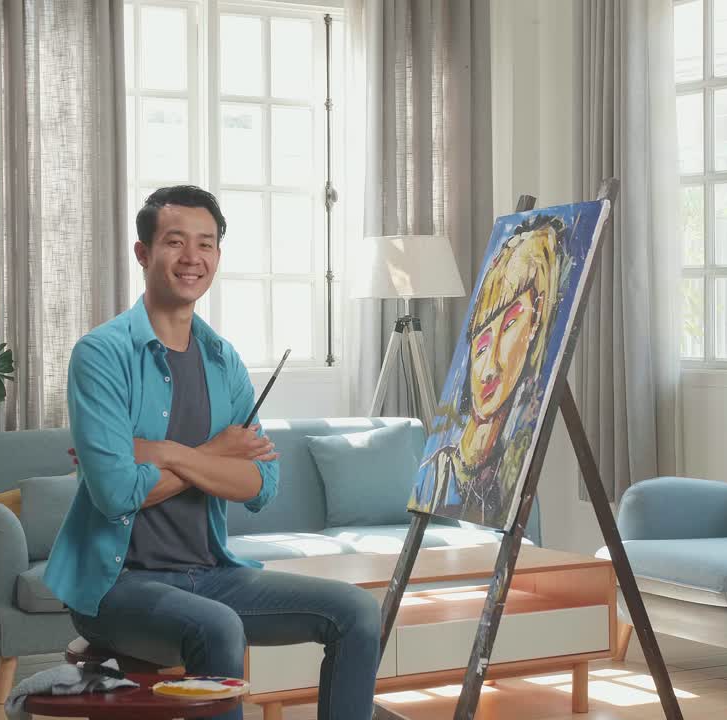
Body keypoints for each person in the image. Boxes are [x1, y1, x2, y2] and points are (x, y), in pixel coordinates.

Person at [43, 186, 381, 720]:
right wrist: (216, 455)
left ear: (218, 256)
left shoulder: (223, 360)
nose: (191, 257)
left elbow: (262, 487)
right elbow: (113, 495)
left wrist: (169, 453)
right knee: (218, 625)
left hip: (212, 571)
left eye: (206, 243)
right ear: (143, 253)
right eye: (175, 242)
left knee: (358, 610)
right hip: (117, 585)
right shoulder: (101, 355)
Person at [413, 215, 564, 527]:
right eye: (481, 345)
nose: (490, 365)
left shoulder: (511, 467)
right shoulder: (437, 476)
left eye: (509, 325)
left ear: (534, 326)